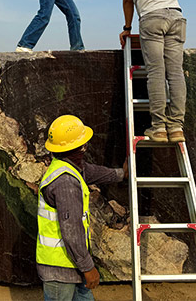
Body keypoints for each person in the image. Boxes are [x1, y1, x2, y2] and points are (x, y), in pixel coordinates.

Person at [36, 115, 126, 301]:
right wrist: (88, 267)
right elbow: (72, 230)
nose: (86, 148)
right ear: (79, 148)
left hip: (71, 263)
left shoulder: (65, 166)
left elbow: (92, 172)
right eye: (84, 144)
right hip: (61, 268)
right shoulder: (66, 182)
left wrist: (120, 174)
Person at [109, 0, 186, 142]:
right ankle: (177, 128)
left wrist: (126, 28)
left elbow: (128, 0)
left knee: (156, 72)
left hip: (153, 18)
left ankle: (159, 128)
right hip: (177, 17)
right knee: (176, 73)